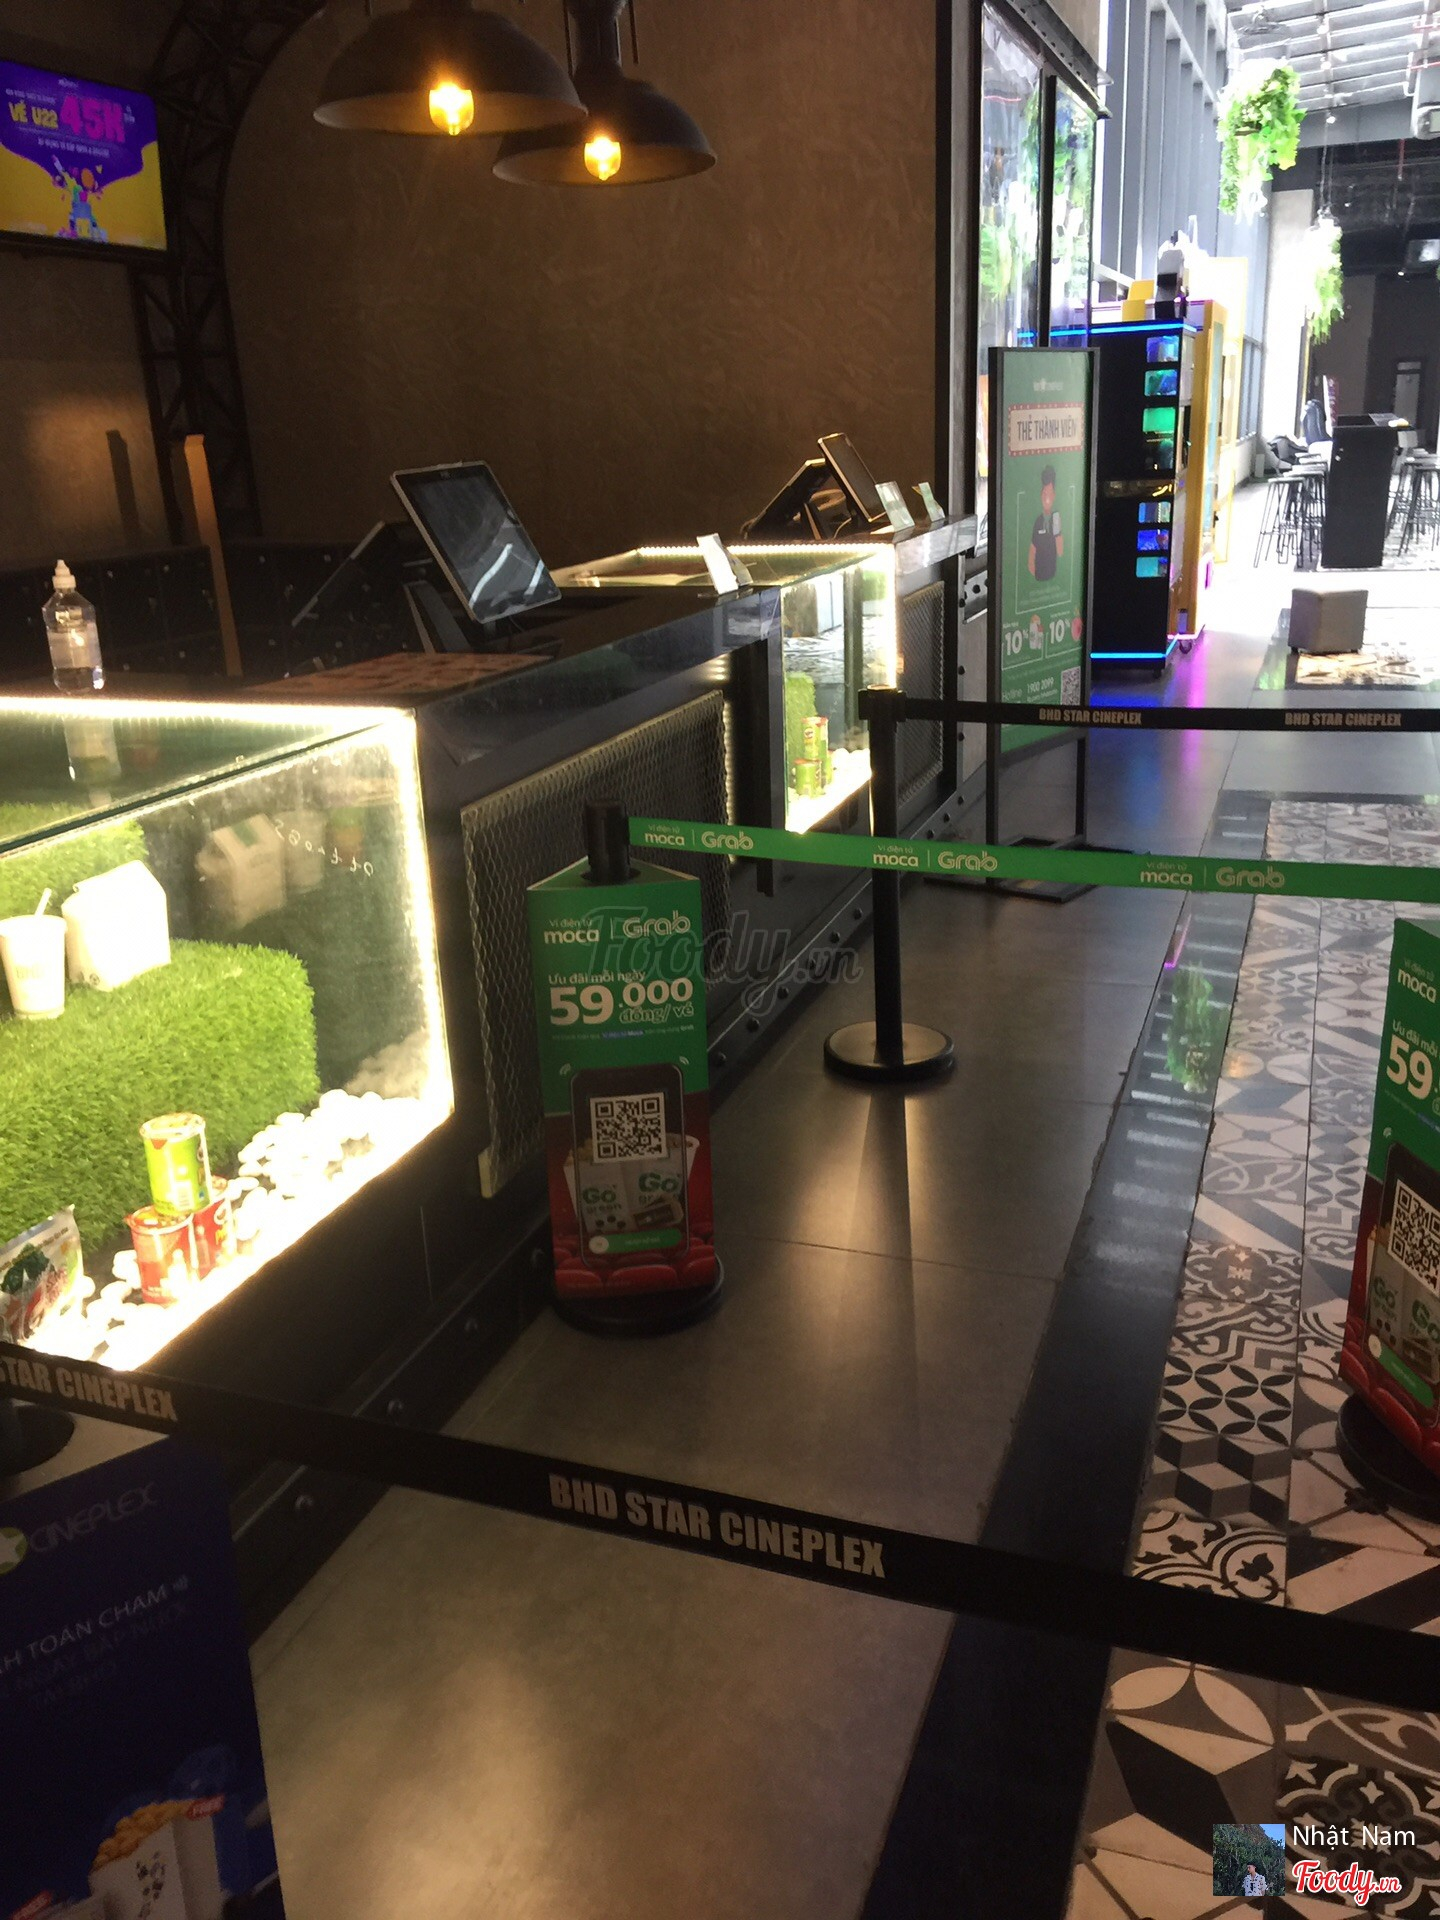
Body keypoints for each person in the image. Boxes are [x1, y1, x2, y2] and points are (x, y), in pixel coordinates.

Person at [1027, 464, 1063, 582]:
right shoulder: (1038, 521)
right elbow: (1033, 548)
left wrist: (1057, 531)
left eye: (1049, 494)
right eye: (1044, 494)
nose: (1046, 499)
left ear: (1054, 496)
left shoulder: (1056, 519)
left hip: (1052, 572)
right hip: (1039, 574)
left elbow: (1060, 551)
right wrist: (1032, 567)